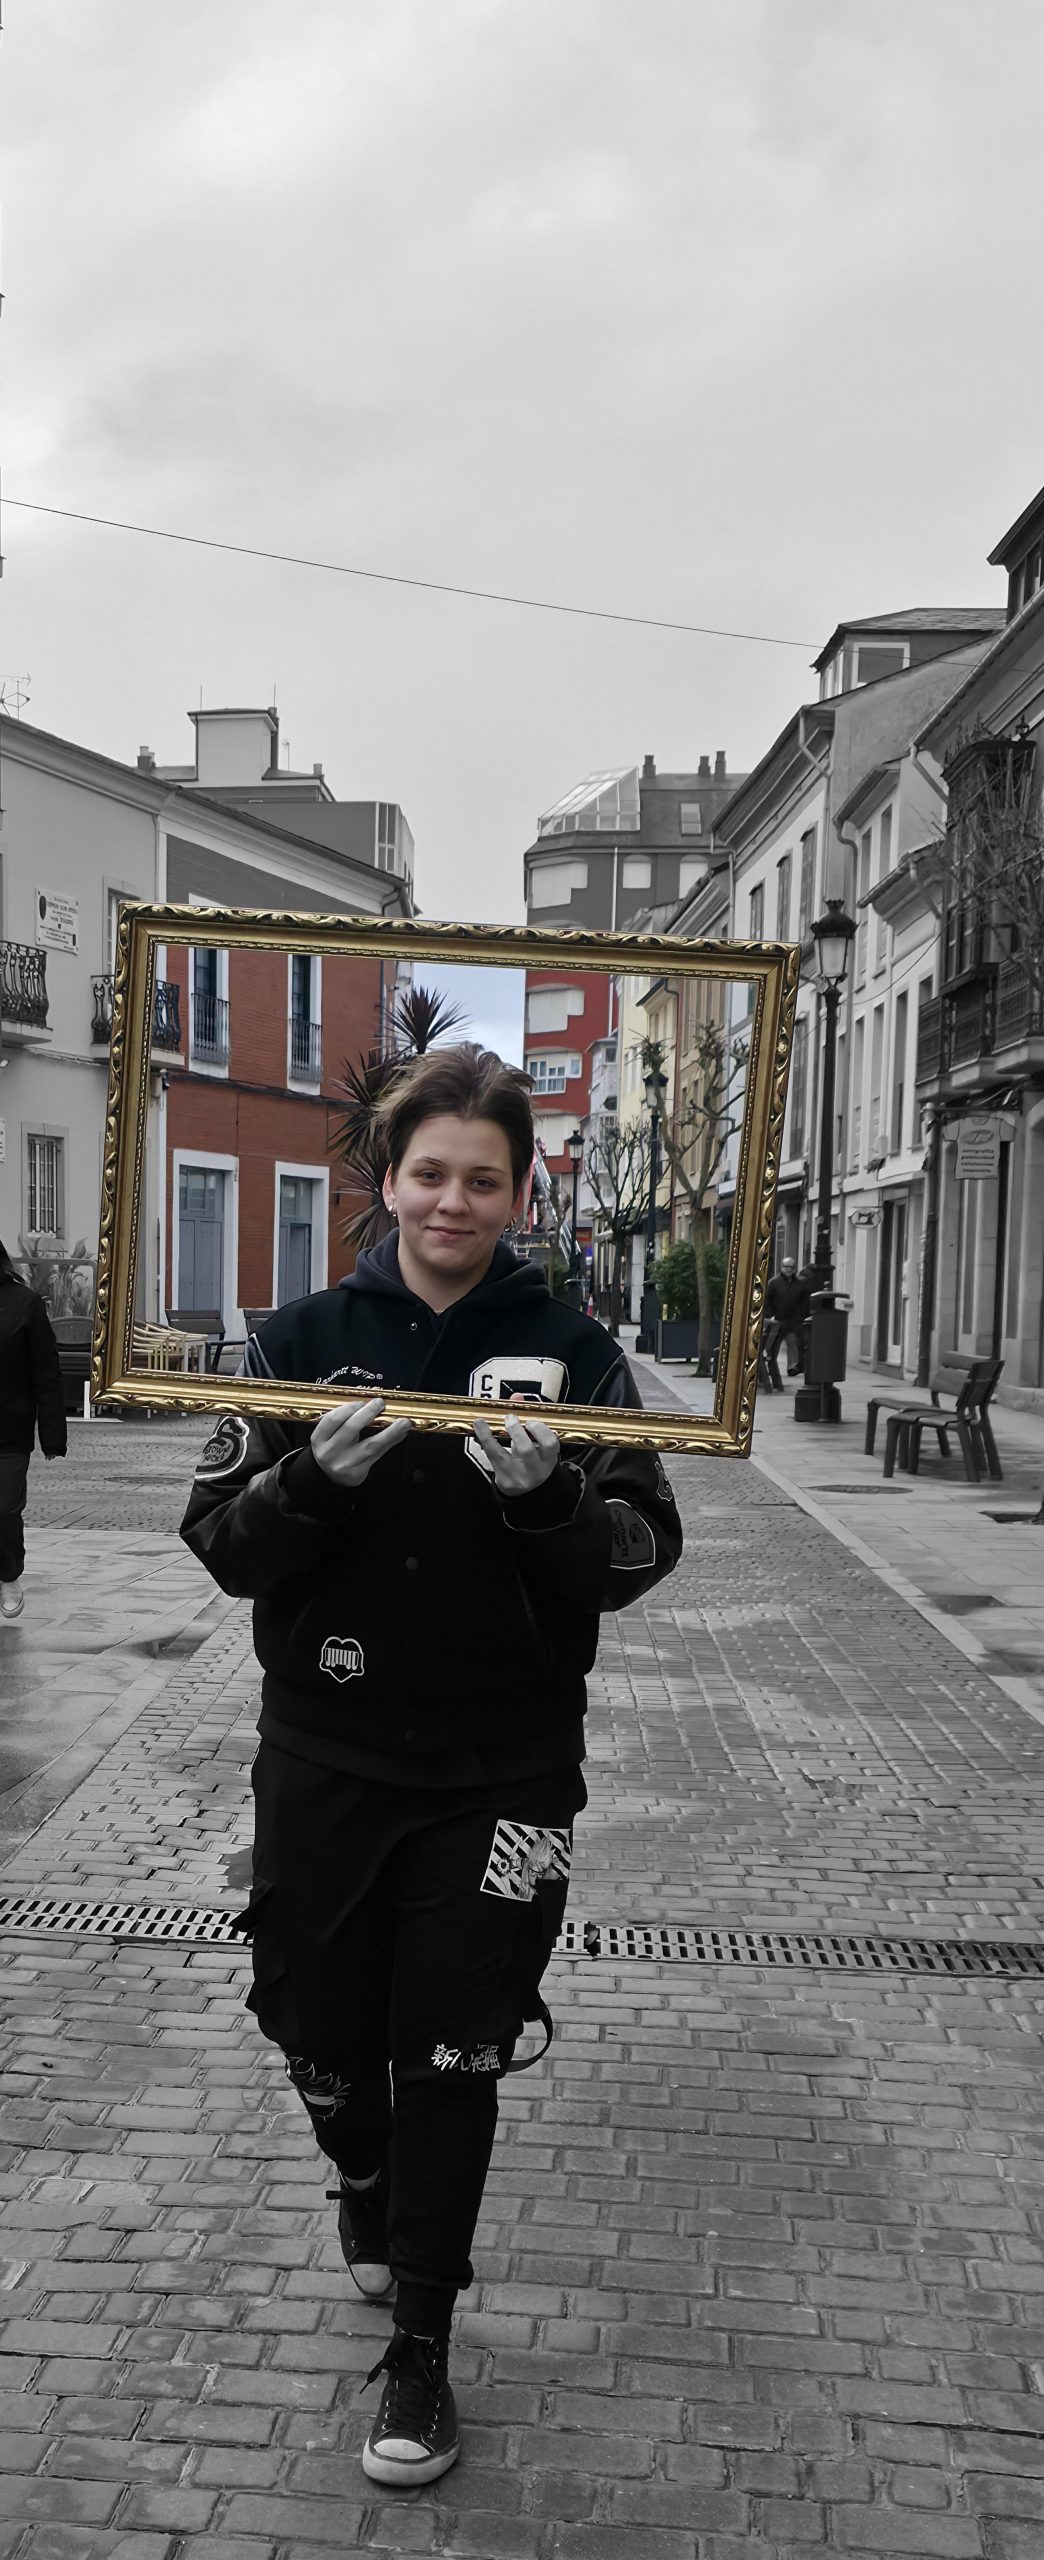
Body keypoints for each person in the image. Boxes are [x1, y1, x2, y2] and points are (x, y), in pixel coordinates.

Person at [181, 1045, 682, 2489]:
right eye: (429, 1174)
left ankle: (421, 2345)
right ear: (388, 1180)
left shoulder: (581, 1356)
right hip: (322, 1759)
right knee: (314, 2025)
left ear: (520, 1194)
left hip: (508, 1775)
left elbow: (638, 1554)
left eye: (483, 1179)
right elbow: (222, 1547)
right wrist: (308, 1481)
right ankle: (361, 2169)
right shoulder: (293, 1340)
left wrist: (549, 1503)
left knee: (458, 2049)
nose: (453, 1201)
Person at [0, 1238, 68, 1617]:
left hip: (9, 1429)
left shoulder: (24, 1303)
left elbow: (46, 1371)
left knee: (4, 1510)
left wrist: (52, 1436)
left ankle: (9, 1575)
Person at [764, 1254, 811, 1379]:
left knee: (792, 1341)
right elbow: (767, 1301)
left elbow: (804, 1303)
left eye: (791, 1267)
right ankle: (771, 1364)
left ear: (794, 1269)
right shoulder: (773, 1283)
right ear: (781, 1267)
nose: (788, 1269)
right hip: (777, 1320)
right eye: (786, 1267)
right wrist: (770, 1316)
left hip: (793, 1321)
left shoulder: (799, 1284)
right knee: (774, 1344)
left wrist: (800, 1318)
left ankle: (792, 1367)